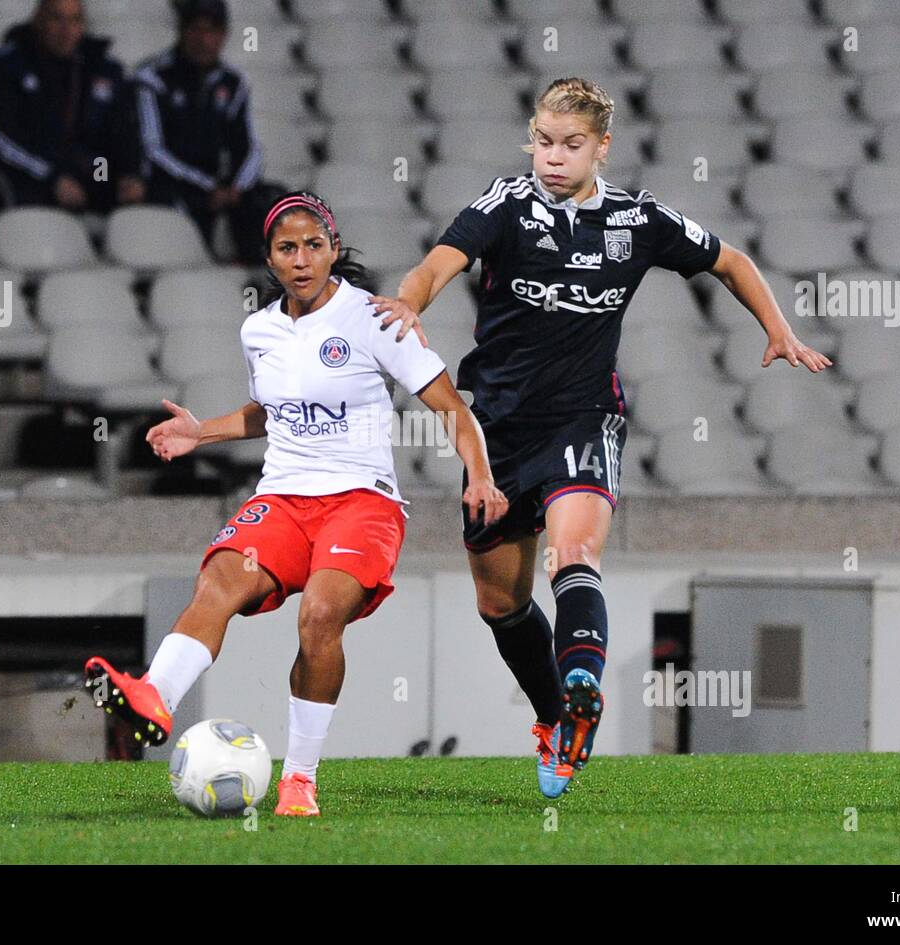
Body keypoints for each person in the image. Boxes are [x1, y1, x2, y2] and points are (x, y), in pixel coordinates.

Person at [372, 77, 833, 798]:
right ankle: (559, 714)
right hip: (493, 432)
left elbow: (731, 261)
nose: (552, 157)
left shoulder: (638, 219)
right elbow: (440, 261)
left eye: (570, 144)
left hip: (584, 417)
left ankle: (582, 679)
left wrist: (776, 327)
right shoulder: (507, 204)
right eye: (544, 141)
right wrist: (409, 299)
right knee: (500, 603)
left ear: (601, 148)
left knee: (575, 550)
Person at [84, 190, 507, 816]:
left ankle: (299, 780)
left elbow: (449, 406)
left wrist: (479, 475)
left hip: (362, 503)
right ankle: (155, 697)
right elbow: (270, 413)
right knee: (218, 582)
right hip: (283, 498)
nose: (303, 258)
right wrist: (201, 430)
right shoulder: (259, 329)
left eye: (314, 245)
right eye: (288, 248)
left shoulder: (378, 319)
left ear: (334, 249)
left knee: (318, 616)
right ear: (270, 259)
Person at [133, 0, 282, 263]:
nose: (204, 40)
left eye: (212, 31)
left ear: (224, 35)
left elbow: (249, 147)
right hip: (170, 185)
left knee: (275, 204)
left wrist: (236, 187)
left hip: (219, 187)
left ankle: (261, 278)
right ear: (181, 31)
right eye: (196, 30)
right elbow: (153, 149)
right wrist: (207, 187)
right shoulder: (152, 77)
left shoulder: (232, 82)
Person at [0, 0, 143, 211]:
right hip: (27, 177)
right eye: (56, 19)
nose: (66, 30)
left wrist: (131, 173)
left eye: (74, 20)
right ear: (38, 20)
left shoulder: (102, 69)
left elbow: (124, 131)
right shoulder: (5, 65)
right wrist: (51, 177)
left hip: (90, 177)